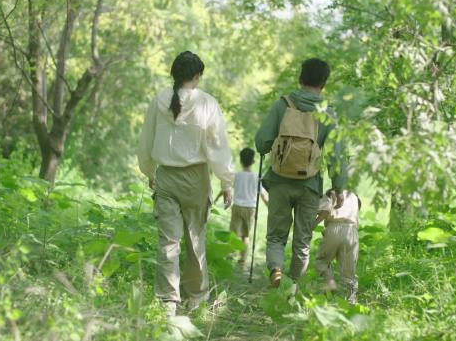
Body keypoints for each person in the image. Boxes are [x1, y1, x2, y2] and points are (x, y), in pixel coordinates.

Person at [137, 51, 234, 316]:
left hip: (166, 176)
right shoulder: (207, 103)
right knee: (195, 239)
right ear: (196, 76)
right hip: (196, 178)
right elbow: (218, 147)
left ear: (174, 74)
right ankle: (196, 298)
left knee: (167, 241)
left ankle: (168, 301)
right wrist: (227, 182)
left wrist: (149, 171)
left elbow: (146, 140)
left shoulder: (159, 100)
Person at [255, 57, 347, 288]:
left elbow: (261, 143)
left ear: (300, 78)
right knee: (302, 241)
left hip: (279, 180)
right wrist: (339, 187)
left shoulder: (283, 105)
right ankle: (292, 287)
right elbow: (337, 155)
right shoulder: (329, 113)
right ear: (324, 83)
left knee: (276, 235)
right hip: (310, 184)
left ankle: (276, 269)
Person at [314, 189, 361, 304]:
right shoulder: (355, 196)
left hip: (333, 228)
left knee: (322, 261)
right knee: (349, 270)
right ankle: (351, 300)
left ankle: (329, 282)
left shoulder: (331, 193)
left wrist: (313, 224)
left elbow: (324, 211)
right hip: (351, 231)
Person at [230, 148, 268, 270]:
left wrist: (218, 199)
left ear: (241, 161)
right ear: (253, 161)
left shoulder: (236, 175)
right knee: (245, 236)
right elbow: (263, 195)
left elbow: (227, 189)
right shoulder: (256, 177)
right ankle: (242, 263)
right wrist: (270, 207)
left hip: (237, 207)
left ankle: (229, 256)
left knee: (233, 234)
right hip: (250, 209)